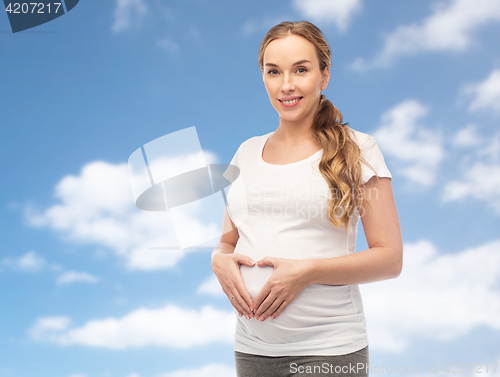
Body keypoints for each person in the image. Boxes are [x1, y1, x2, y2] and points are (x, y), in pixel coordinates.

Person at [211, 20, 403, 377]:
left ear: (324, 76)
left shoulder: (358, 149)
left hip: (329, 351)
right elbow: (228, 240)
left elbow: (390, 259)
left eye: (301, 69)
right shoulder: (246, 152)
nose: (286, 85)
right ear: (263, 78)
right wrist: (218, 260)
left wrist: (306, 272)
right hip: (252, 350)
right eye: (274, 72)